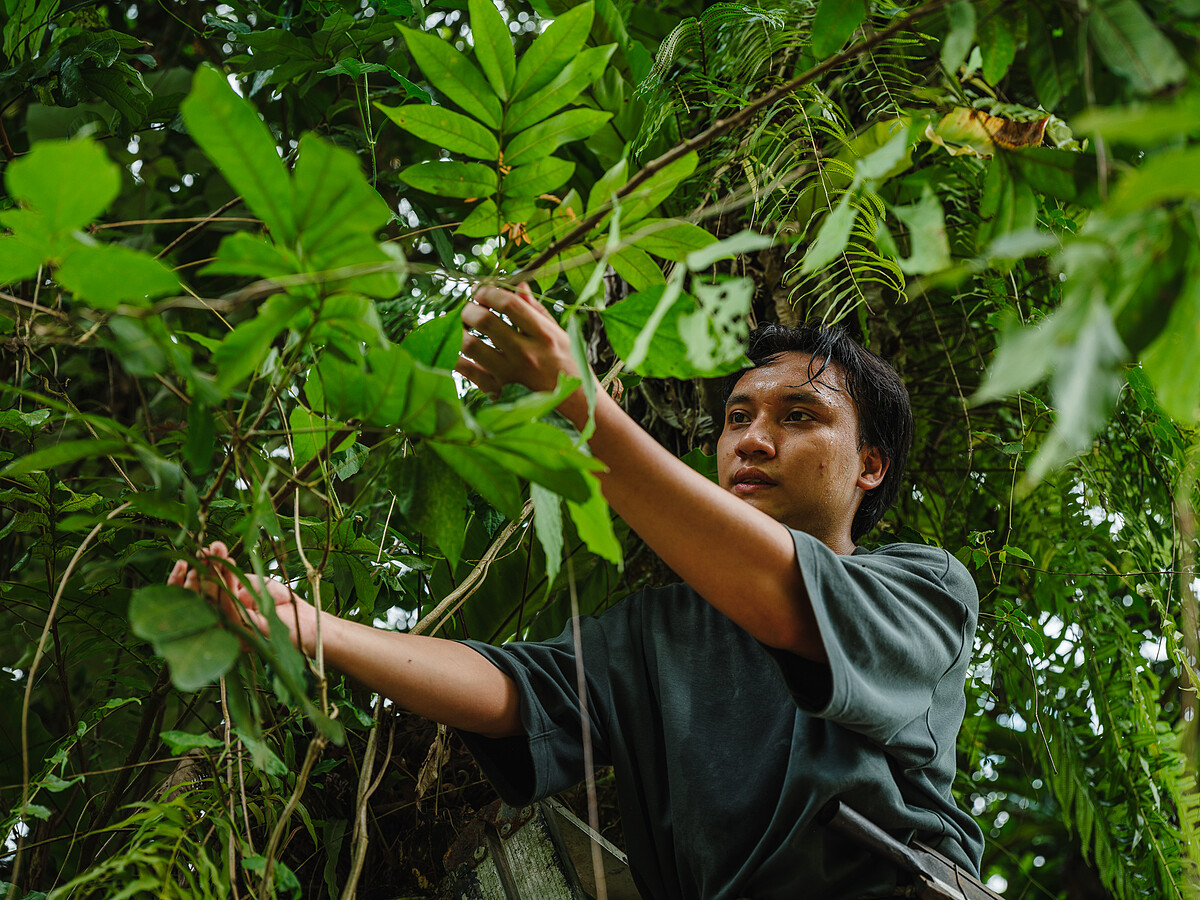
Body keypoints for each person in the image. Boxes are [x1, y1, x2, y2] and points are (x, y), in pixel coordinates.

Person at [171, 284, 984, 899]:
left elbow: (782, 597)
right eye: (737, 417)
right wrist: (317, 628)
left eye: (801, 416)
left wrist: (584, 412)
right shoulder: (653, 632)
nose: (754, 439)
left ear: (870, 465)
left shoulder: (921, 587)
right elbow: (509, 693)